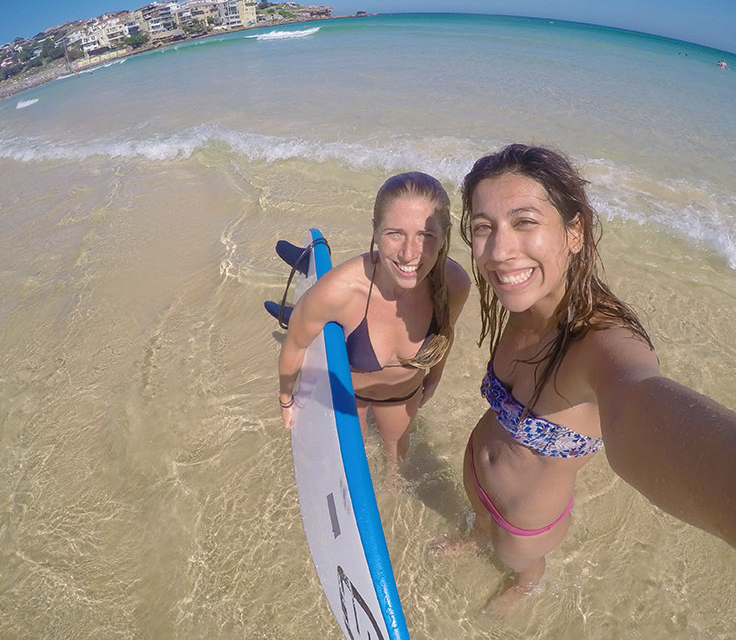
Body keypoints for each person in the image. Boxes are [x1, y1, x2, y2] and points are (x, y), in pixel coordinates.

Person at [432, 143, 736, 617]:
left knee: (522, 566)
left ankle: (526, 583)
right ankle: (474, 533)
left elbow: (638, 396)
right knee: (478, 529)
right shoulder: (523, 301)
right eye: (483, 228)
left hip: (525, 528)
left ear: (574, 233)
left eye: (524, 221)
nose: (499, 250)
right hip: (478, 483)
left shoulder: (600, 343)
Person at [278, 172, 471, 468]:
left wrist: (435, 376)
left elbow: (448, 329)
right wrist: (287, 401)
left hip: (402, 394)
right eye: (395, 233)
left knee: (396, 455)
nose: (409, 253)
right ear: (376, 231)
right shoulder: (338, 291)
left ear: (445, 235)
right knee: (355, 454)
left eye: (426, 235)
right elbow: (294, 344)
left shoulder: (455, 283)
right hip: (347, 394)